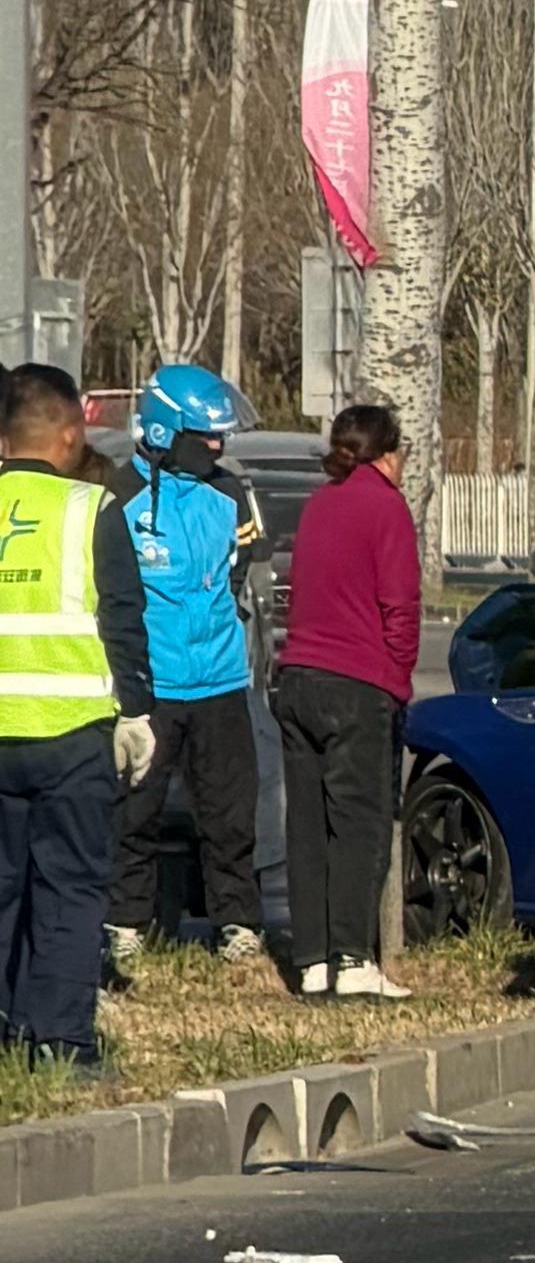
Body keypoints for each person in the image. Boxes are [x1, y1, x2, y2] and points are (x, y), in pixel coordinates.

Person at [0, 362, 150, 1065]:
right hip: (70, 734)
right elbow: (123, 621)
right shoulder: (94, 512)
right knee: (68, 890)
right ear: (69, 436)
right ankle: (59, 1040)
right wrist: (138, 715)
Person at [109, 359, 265, 969]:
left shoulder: (230, 492)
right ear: (161, 433)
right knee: (134, 814)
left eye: (221, 435)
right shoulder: (117, 497)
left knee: (230, 814)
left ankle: (238, 924)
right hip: (154, 685)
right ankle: (124, 922)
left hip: (222, 682)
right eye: (204, 437)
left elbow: (242, 570)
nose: (217, 446)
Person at [276, 397, 421, 999]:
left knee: (306, 823)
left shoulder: (320, 503)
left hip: (298, 676)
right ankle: (355, 959)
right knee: (358, 825)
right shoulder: (385, 507)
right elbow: (401, 607)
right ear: (387, 455)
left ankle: (311, 960)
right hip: (355, 682)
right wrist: (396, 681)